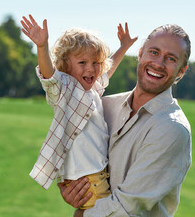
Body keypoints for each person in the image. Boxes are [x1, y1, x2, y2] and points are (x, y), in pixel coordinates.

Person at [58, 24, 192, 216]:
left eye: (171, 59)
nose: (159, 63)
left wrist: (82, 214)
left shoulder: (172, 129)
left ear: (181, 71)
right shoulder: (105, 106)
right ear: (140, 54)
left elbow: (128, 206)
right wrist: (70, 186)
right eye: (154, 52)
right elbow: (75, 147)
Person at [20, 14, 137, 209]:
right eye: (82, 63)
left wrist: (124, 46)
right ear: (66, 65)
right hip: (88, 178)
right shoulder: (65, 90)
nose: (91, 69)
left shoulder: (92, 90)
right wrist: (42, 47)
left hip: (98, 173)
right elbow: (49, 75)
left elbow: (108, 70)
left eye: (95, 62)